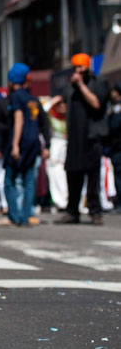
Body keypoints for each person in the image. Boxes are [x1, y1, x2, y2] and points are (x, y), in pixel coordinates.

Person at [54, 53, 110, 225]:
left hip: (92, 137)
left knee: (93, 177)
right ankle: (72, 212)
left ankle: (95, 211)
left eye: (81, 67)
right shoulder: (69, 88)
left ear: (87, 67)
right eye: (75, 67)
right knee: (73, 175)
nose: (78, 70)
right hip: (74, 138)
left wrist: (80, 85)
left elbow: (96, 104)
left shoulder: (98, 83)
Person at [0, 63, 49, 227]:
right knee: (29, 181)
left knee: (9, 181)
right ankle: (27, 215)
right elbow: (44, 122)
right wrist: (46, 145)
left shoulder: (16, 96)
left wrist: (14, 145)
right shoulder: (33, 98)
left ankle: (15, 216)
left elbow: (18, 119)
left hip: (20, 142)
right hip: (33, 142)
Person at [108, 83, 121, 214]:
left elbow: (114, 125)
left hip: (118, 147)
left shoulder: (117, 108)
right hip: (116, 147)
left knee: (118, 175)